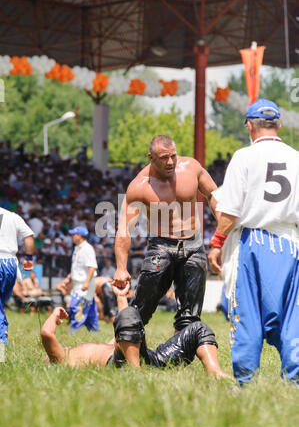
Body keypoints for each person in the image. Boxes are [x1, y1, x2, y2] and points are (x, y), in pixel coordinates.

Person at [208, 98, 299, 385]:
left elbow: (231, 210)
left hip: (251, 244)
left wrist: (217, 241)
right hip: (290, 243)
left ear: (249, 126)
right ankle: (294, 379)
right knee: (291, 317)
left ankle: (245, 381)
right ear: (279, 125)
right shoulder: (296, 157)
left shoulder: (244, 157)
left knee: (245, 313)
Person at [113, 135, 218, 364]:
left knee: (190, 316)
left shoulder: (191, 167)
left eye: (173, 156)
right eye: (164, 158)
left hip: (193, 245)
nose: (170, 162)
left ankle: (174, 362)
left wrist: (222, 233)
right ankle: (122, 357)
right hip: (161, 246)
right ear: (151, 158)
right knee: (141, 310)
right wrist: (121, 268)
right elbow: (124, 230)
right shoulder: (140, 186)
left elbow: (213, 195)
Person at [41, 285, 233, 381]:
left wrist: (121, 296)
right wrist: (56, 313)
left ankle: (215, 372)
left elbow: (125, 329)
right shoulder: (65, 359)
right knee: (129, 317)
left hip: (149, 359)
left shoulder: (97, 349)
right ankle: (136, 376)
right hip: (123, 365)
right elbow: (47, 334)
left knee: (197, 328)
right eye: (49, 355)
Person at [0, 207, 35, 342]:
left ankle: (2, 340)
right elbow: (28, 236)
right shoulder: (12, 216)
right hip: (10, 264)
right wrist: (28, 258)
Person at [67, 225, 99, 332]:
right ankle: (93, 330)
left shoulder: (87, 249)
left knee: (77, 306)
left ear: (79, 236)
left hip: (84, 284)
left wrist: (86, 282)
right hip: (80, 283)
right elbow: (76, 266)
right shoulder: (77, 248)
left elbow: (92, 267)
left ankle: (74, 330)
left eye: (74, 234)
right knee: (89, 309)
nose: (72, 236)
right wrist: (68, 278)